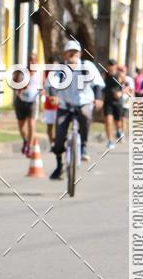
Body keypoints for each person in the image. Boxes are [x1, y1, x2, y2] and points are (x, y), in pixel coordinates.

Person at [47, 39, 104, 179]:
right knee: (59, 136)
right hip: (64, 105)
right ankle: (59, 165)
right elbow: (52, 84)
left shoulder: (86, 66)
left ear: (80, 54)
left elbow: (97, 84)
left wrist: (98, 98)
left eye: (75, 52)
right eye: (70, 52)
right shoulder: (60, 69)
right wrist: (53, 96)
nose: (73, 55)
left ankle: (83, 146)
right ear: (65, 54)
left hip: (83, 103)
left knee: (85, 116)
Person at [12, 52, 41, 156]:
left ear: (36, 62)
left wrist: (43, 92)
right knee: (21, 126)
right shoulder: (21, 72)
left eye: (33, 60)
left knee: (31, 125)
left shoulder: (39, 73)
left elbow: (43, 87)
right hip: (21, 101)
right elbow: (14, 84)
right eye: (30, 60)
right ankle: (25, 140)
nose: (31, 62)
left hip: (33, 102)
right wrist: (19, 86)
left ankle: (29, 146)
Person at [103, 63, 133, 149]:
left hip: (118, 102)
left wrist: (121, 92)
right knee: (108, 121)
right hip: (107, 101)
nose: (111, 68)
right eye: (110, 66)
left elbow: (128, 87)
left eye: (113, 66)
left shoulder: (120, 76)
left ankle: (119, 131)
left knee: (118, 121)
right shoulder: (104, 74)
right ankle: (110, 141)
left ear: (115, 67)